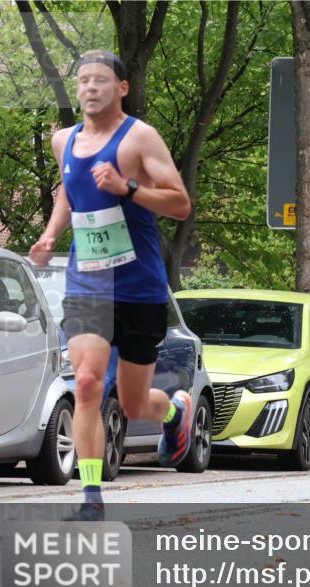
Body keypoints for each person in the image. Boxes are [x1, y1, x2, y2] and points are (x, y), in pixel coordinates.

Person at [29, 50, 193, 520]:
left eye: (100, 80)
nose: (89, 88)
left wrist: (130, 189)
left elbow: (180, 204)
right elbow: (68, 190)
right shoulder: (64, 141)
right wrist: (50, 234)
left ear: (121, 87)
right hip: (88, 283)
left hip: (139, 285)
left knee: (137, 402)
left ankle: (174, 411)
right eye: (82, 81)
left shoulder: (140, 138)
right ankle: (92, 497)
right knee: (85, 384)